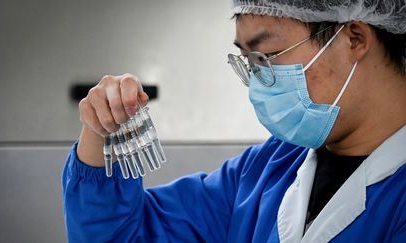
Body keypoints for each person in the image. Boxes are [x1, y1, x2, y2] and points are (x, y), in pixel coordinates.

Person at [62, 0, 406, 242]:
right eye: (248, 62)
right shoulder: (268, 170)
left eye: (267, 56)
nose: (258, 80)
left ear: (354, 38)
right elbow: (124, 236)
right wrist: (102, 129)